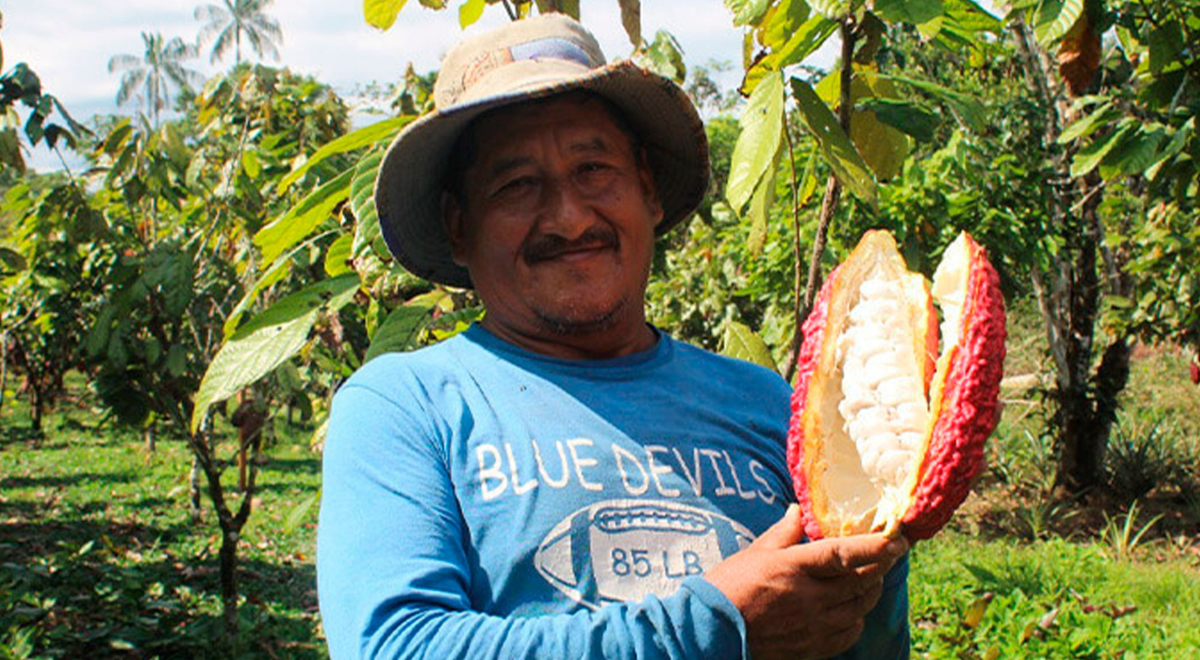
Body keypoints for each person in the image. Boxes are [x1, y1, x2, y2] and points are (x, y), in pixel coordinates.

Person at [317, 13, 910, 660]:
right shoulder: (406, 407)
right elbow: (393, 646)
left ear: (647, 191)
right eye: (516, 185)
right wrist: (714, 626)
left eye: (594, 169)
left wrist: (884, 535)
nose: (569, 218)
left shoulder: (769, 403)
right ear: (460, 226)